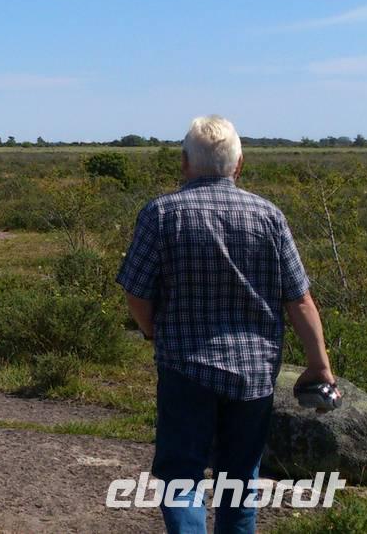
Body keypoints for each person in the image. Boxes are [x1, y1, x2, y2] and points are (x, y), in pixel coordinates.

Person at [117, 116, 335, 534]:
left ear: (184, 162)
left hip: (184, 367)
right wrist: (319, 366)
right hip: (254, 373)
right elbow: (299, 300)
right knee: (240, 481)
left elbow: (137, 293)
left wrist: (153, 332)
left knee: (182, 477)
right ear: (239, 164)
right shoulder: (269, 216)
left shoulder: (161, 213)